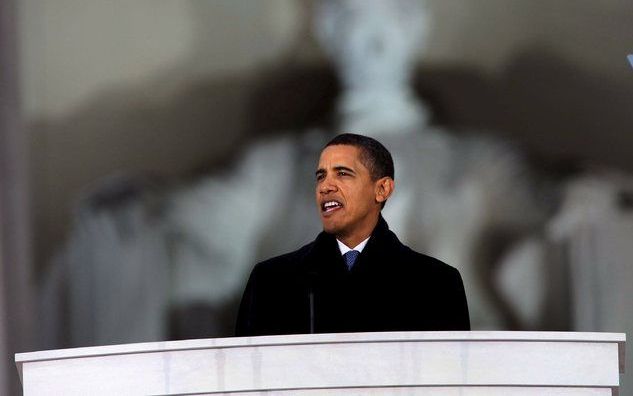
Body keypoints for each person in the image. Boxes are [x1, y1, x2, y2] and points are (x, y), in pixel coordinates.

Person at [236, 133, 470, 336]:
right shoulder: (272, 282)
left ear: (382, 189)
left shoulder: (435, 284)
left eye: (342, 174)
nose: (325, 186)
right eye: (321, 176)